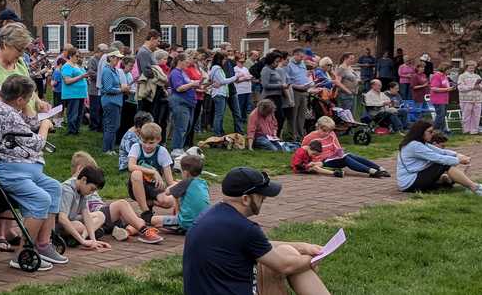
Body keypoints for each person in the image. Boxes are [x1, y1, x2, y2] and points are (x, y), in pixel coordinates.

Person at [183, 167, 330, 295]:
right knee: (292, 261)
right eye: (261, 194)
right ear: (246, 199)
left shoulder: (212, 215)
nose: (265, 197)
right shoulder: (245, 228)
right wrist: (313, 260)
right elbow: (285, 266)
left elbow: (256, 246)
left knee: (287, 251)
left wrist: (301, 246)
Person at [0, 75, 64, 273]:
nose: (30, 102)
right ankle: (25, 251)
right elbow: (38, 143)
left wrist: (26, 107)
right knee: (41, 199)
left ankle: (43, 245)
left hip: (10, 164)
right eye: (28, 99)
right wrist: (46, 125)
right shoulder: (7, 114)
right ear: (20, 99)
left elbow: (26, 124)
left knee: (54, 187)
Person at [58, 165, 163, 246]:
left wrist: (93, 240)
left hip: (73, 220)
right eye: (92, 189)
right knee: (79, 225)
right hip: (59, 224)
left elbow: (86, 215)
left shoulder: (82, 190)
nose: (92, 193)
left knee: (99, 216)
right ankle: (79, 238)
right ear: (84, 179)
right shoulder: (68, 189)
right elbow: (62, 218)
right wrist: (83, 242)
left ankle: (81, 237)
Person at [396, 119, 482, 195]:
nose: (432, 134)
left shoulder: (419, 143)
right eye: (430, 132)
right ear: (421, 132)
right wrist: (459, 160)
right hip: (409, 183)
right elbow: (438, 158)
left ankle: (447, 180)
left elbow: (441, 152)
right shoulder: (415, 145)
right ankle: (474, 187)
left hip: (411, 180)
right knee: (443, 164)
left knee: (448, 178)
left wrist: (458, 155)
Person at [0, 23, 46, 113]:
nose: (22, 54)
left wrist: (38, 102)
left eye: (24, 49)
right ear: (5, 44)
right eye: (19, 49)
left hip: (29, 123)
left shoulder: (20, 62)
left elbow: (28, 91)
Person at [300, 116, 388, 178]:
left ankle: (379, 168)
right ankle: (371, 171)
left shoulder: (331, 134)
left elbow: (337, 147)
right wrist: (312, 164)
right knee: (345, 158)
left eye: (329, 131)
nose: (327, 133)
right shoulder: (309, 137)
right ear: (317, 127)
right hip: (322, 162)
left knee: (349, 155)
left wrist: (340, 153)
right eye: (324, 130)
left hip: (334, 158)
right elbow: (302, 153)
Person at [126, 122, 176, 225]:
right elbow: (131, 166)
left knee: (169, 201)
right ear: (140, 138)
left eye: (151, 142)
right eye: (144, 142)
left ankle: (147, 203)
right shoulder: (136, 147)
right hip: (136, 186)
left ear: (159, 140)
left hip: (154, 187)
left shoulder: (162, 151)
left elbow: (170, 181)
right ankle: (146, 212)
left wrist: (185, 186)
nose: (147, 146)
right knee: (136, 173)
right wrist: (153, 172)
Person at [151, 153, 211, 232]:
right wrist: (180, 184)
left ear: (185, 173)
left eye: (181, 171)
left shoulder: (185, 183)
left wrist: (176, 184)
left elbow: (167, 192)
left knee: (153, 220)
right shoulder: (203, 183)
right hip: (203, 222)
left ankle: (180, 228)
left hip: (187, 223)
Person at [168, 56, 201, 153]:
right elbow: (179, 88)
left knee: (187, 126)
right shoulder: (175, 73)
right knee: (181, 126)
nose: (188, 64)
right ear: (180, 61)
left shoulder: (183, 73)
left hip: (188, 103)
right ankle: (176, 148)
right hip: (180, 102)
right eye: (186, 62)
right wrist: (192, 84)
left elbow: (187, 85)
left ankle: (180, 147)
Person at [59, 46, 88, 135]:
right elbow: (67, 81)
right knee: (73, 113)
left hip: (80, 93)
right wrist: (81, 76)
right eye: (76, 56)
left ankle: (76, 129)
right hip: (72, 94)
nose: (78, 58)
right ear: (71, 56)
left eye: (79, 56)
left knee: (80, 113)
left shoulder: (76, 65)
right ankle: (71, 130)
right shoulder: (67, 66)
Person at [207, 52, 237, 135]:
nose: (225, 61)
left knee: (220, 114)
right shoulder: (217, 68)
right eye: (224, 59)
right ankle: (217, 133)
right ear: (219, 60)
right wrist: (235, 77)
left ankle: (220, 131)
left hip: (220, 93)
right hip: (219, 93)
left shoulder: (215, 68)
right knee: (219, 115)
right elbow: (223, 81)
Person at [457, 64, 482, 135]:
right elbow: (460, 87)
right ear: (466, 68)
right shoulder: (462, 76)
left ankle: (474, 130)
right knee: (466, 115)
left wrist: (480, 87)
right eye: (470, 67)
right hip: (466, 98)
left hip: (478, 98)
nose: (472, 69)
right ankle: (466, 130)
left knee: (476, 115)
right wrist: (473, 87)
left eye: (473, 68)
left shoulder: (477, 76)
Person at [86, 44, 107, 132]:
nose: (106, 54)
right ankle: (93, 126)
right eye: (105, 51)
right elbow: (90, 72)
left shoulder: (104, 60)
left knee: (100, 108)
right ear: (100, 51)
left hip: (101, 89)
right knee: (94, 108)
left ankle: (100, 126)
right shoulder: (93, 60)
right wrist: (102, 76)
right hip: (94, 89)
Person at [429, 64, 453, 134]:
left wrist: (451, 86)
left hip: (445, 99)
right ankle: (432, 130)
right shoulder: (436, 76)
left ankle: (443, 130)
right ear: (445, 69)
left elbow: (445, 85)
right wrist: (447, 89)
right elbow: (433, 88)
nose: (450, 71)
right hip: (438, 99)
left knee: (443, 115)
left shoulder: (444, 76)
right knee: (440, 115)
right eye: (449, 69)